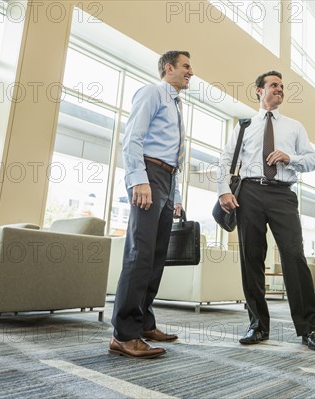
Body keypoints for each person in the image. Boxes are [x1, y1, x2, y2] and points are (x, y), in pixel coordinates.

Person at [217, 71, 315, 351]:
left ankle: (309, 329)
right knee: (251, 258)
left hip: (282, 193)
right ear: (259, 91)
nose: (280, 89)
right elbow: (225, 160)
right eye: (274, 85)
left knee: (294, 257)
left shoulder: (294, 126)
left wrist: (289, 158)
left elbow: (311, 161)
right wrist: (223, 190)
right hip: (250, 193)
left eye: (282, 86)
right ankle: (258, 325)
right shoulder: (244, 127)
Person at [109, 51, 193, 359]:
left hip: (166, 180)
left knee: (157, 256)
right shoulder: (152, 93)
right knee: (140, 252)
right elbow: (131, 138)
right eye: (186, 66)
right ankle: (123, 334)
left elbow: (175, 156)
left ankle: (143, 323)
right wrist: (138, 179)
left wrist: (177, 198)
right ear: (168, 68)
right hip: (149, 173)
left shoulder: (176, 104)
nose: (190, 72)